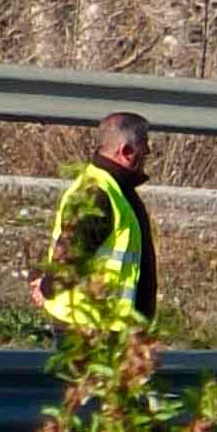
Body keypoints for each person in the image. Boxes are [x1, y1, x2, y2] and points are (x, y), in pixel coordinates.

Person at [32, 110, 158, 338]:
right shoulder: (97, 192)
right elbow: (70, 253)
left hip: (106, 326)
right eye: (145, 146)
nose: (148, 151)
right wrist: (47, 287)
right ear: (127, 152)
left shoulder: (116, 189)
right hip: (90, 330)